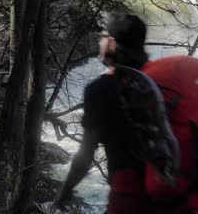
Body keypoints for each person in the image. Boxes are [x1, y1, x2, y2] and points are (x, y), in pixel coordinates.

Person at [53, 12, 151, 214]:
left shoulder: (101, 88)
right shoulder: (159, 78)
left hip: (130, 197)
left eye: (103, 36)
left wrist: (66, 189)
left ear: (112, 44)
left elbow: (86, 155)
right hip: (177, 195)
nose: (100, 41)